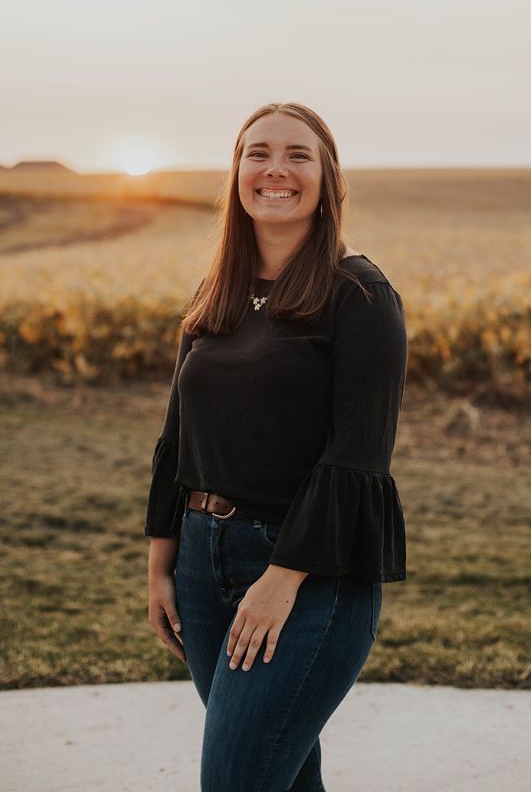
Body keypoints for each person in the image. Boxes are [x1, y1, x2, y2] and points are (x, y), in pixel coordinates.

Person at [144, 101, 408, 792]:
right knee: (281, 777)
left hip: (306, 571)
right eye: (257, 153)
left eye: (298, 155)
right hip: (202, 564)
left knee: (237, 779)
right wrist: (160, 565)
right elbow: (178, 436)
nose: (275, 170)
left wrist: (280, 579)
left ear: (327, 179)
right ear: (236, 172)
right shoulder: (216, 295)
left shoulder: (359, 294)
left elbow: (358, 457)